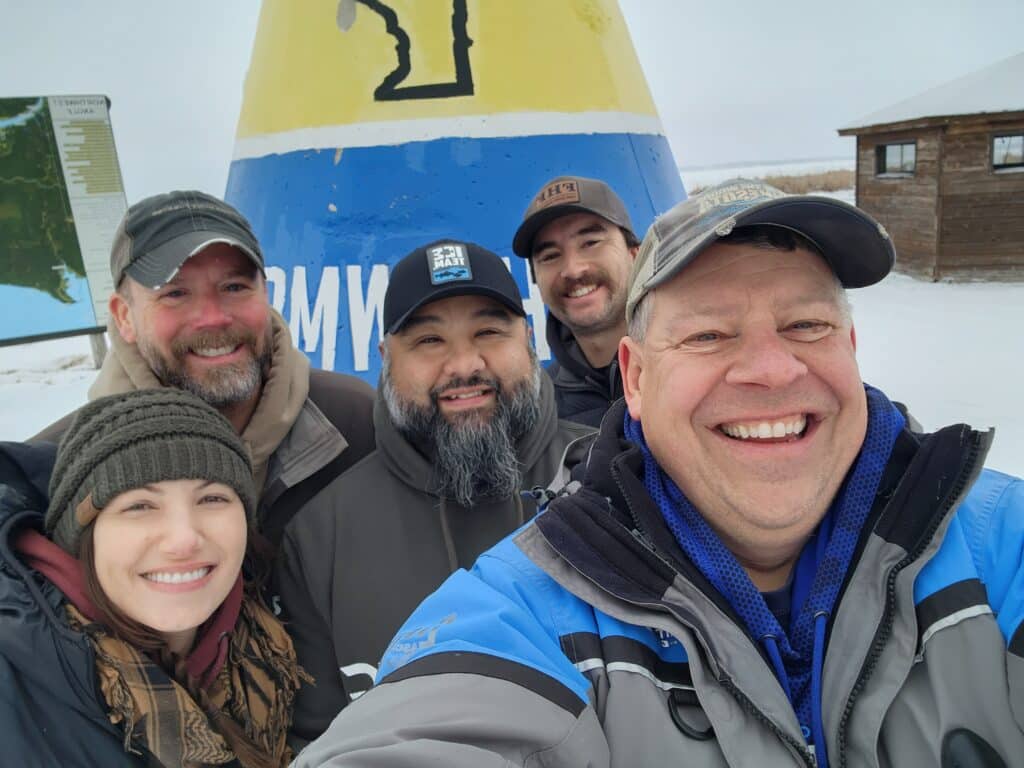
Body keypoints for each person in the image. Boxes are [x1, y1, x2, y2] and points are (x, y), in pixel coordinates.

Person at [294, 180, 1024, 768]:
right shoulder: (534, 601)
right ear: (634, 380)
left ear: (852, 344)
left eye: (806, 325)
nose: (772, 369)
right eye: (708, 334)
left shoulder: (996, 546)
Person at [275, 240, 594, 746]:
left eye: (488, 331)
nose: (464, 364)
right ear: (385, 359)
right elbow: (316, 742)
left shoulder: (611, 481)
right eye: (428, 341)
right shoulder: (321, 535)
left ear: (529, 339)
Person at [32, 191, 375, 546]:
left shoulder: (357, 423)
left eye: (234, 286)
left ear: (266, 294)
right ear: (124, 317)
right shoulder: (54, 475)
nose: (213, 318)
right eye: (175, 294)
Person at [0, 389, 309, 766]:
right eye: (140, 505)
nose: (184, 540)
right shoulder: (16, 680)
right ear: (81, 538)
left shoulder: (269, 644)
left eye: (211, 499)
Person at [512, 175, 641, 427]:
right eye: (550, 256)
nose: (572, 270)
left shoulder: (694, 366)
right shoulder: (536, 412)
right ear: (535, 279)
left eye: (590, 242)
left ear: (634, 254)